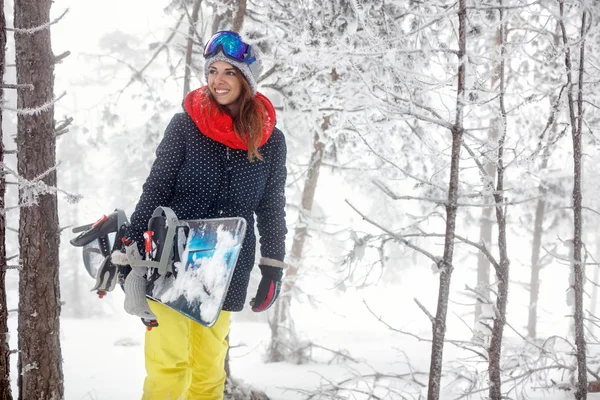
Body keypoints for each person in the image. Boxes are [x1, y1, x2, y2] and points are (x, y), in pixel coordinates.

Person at [120, 30, 287, 400]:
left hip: (227, 264)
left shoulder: (270, 140)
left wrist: (272, 267)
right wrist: (129, 242)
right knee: (168, 366)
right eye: (213, 71)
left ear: (247, 80)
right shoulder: (185, 126)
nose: (219, 80)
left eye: (230, 72)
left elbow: (272, 205)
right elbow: (157, 187)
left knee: (209, 370)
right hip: (171, 259)